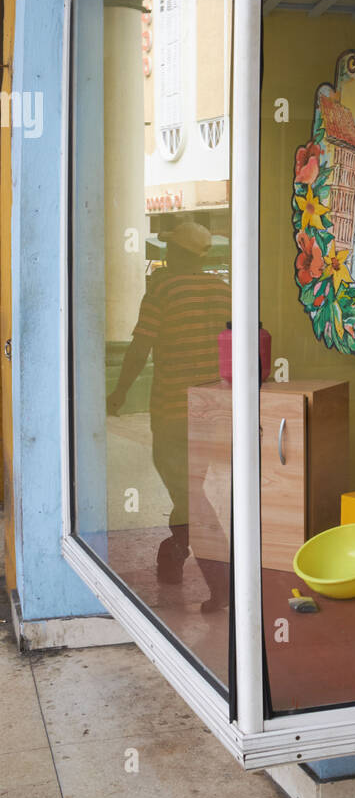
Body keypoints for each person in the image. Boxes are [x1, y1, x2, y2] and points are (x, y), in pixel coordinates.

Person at [107, 219, 231, 613]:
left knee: (189, 495)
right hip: (213, 409)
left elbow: (141, 343)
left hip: (175, 409)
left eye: (168, 249)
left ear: (177, 253)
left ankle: (222, 580)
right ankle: (172, 556)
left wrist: (120, 391)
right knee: (189, 488)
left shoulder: (162, 287)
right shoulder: (223, 290)